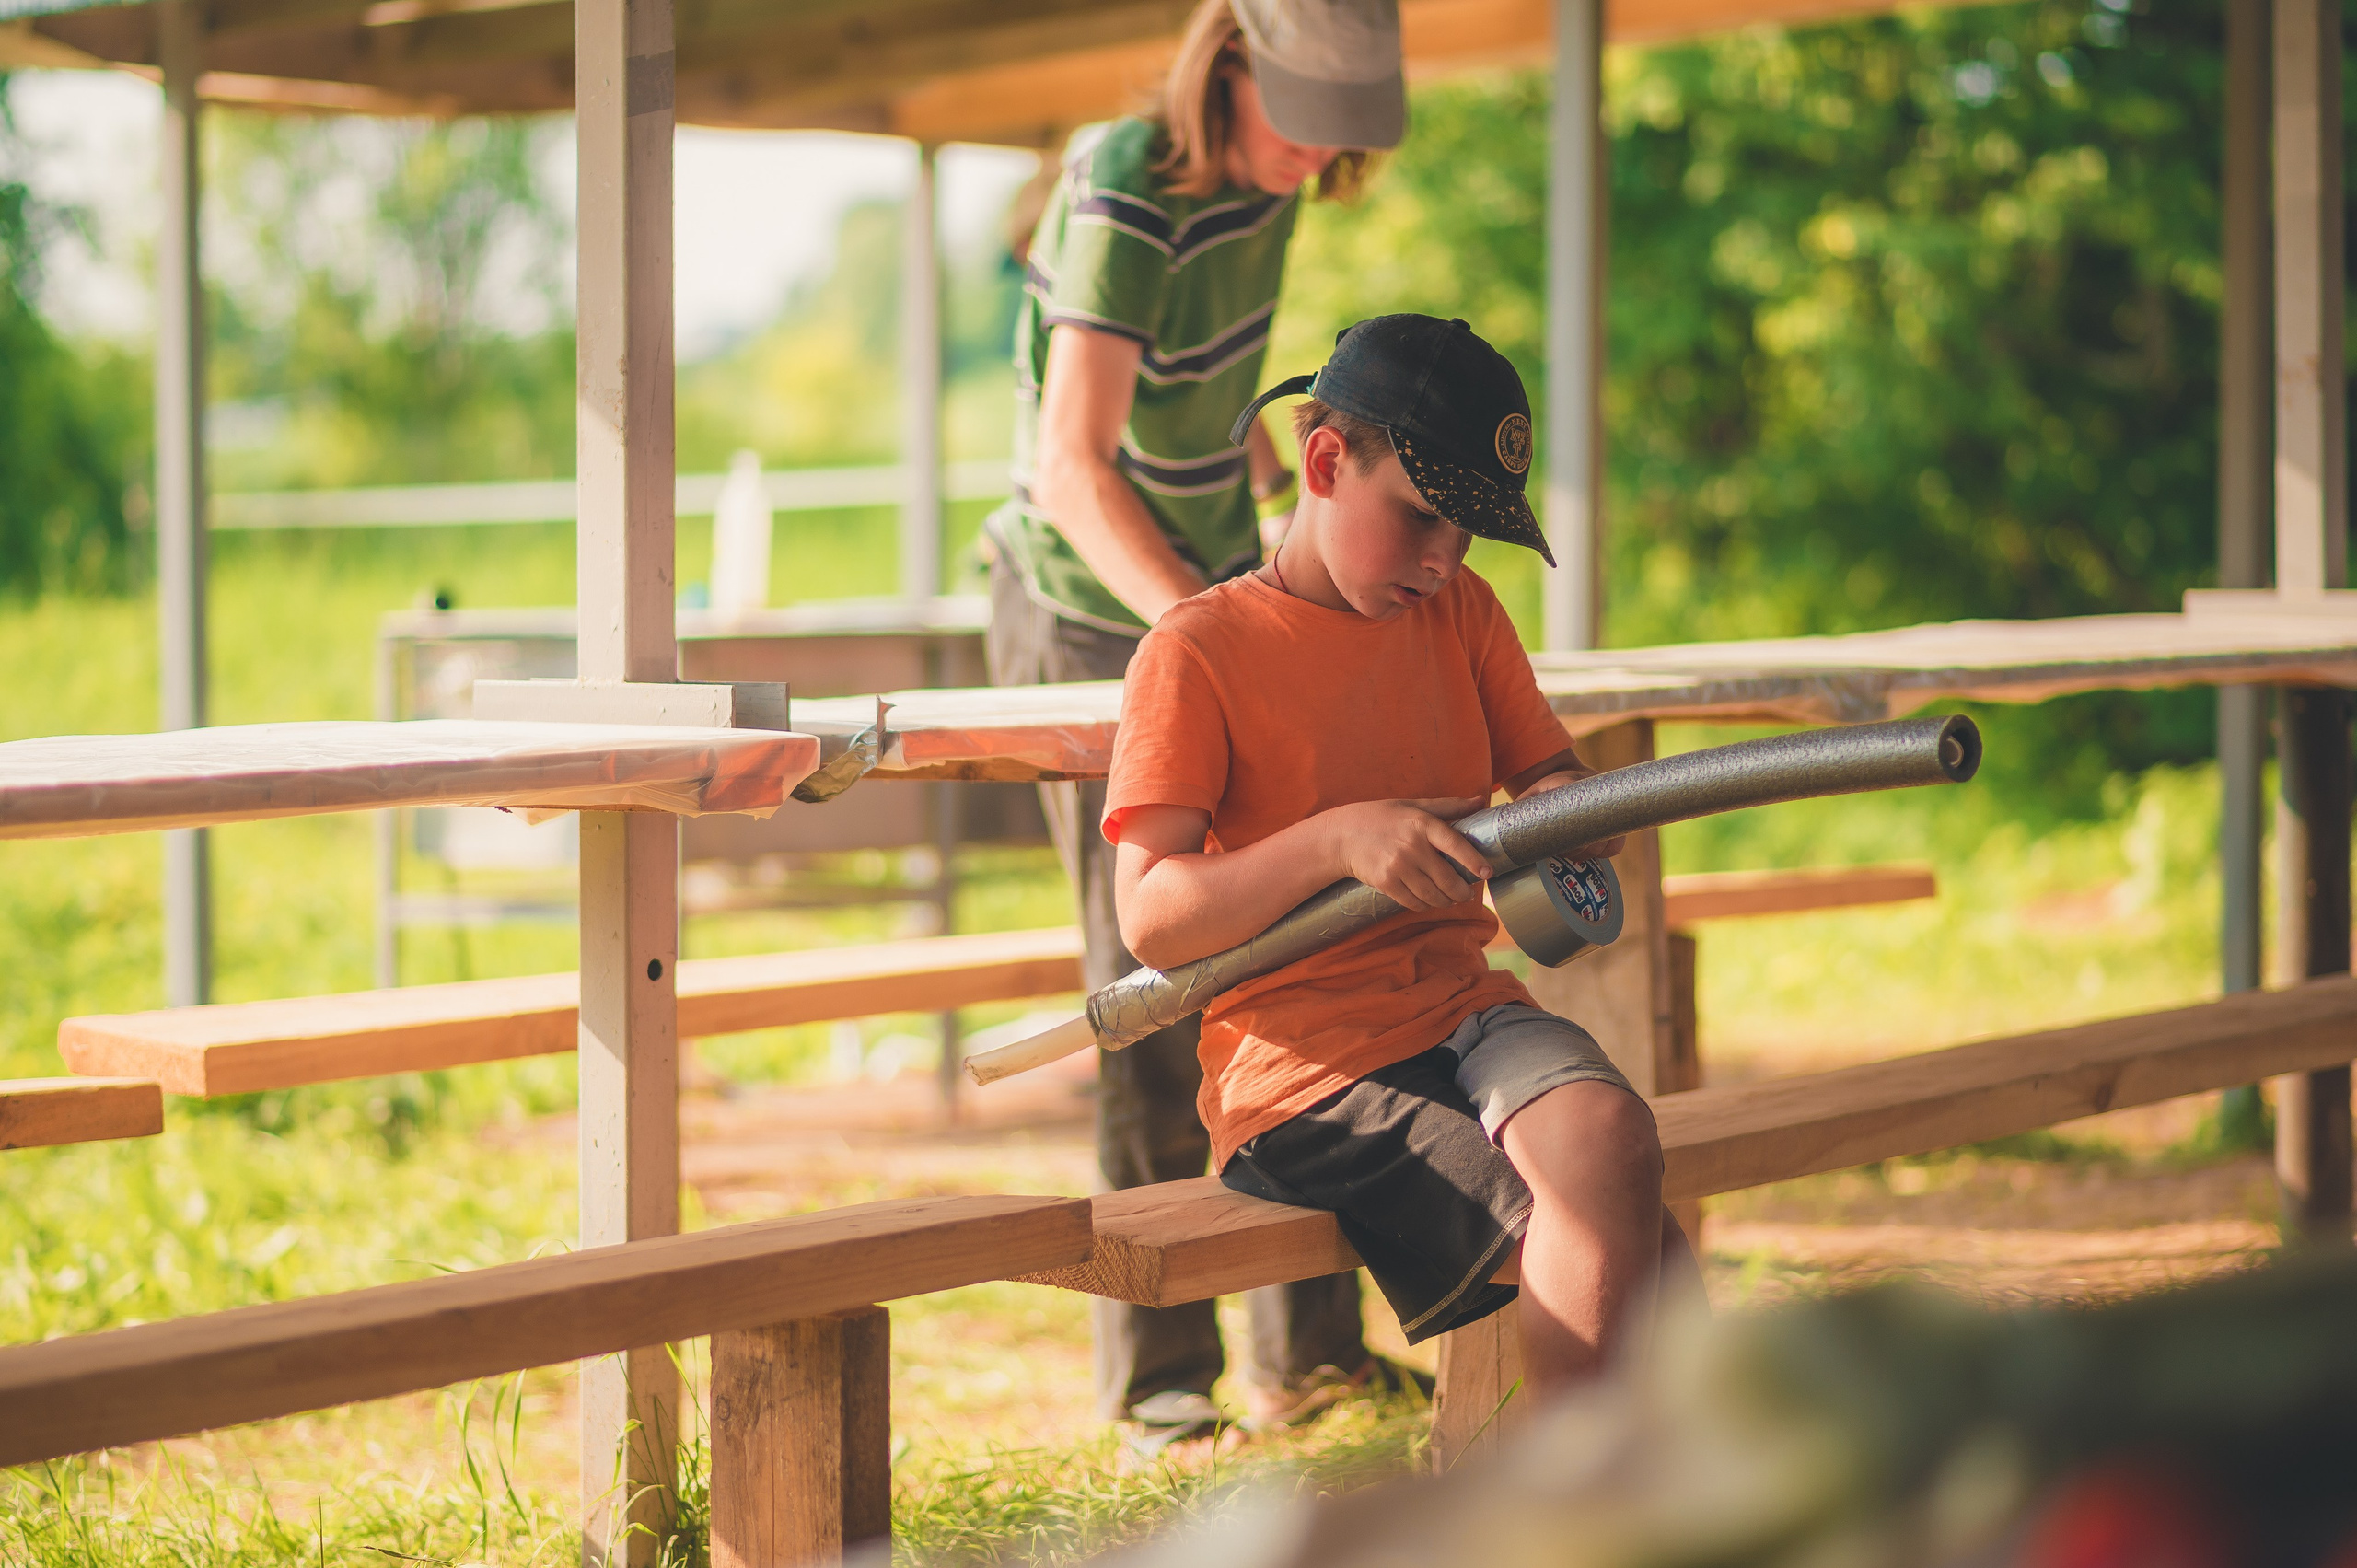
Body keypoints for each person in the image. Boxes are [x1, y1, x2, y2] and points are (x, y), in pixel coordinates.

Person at [1102, 315, 1701, 1395]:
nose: (1443, 560)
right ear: (1324, 460)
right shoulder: (1195, 650)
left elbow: (1552, 778)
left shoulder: (1464, 613)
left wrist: (1575, 811)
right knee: (1604, 1252)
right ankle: (1582, 1516)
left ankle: (1648, 1503)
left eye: (1469, 532)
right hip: (1307, 1071)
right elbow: (1148, 914)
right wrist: (1337, 839)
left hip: (1466, 1011)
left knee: (1616, 1148)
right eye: (1423, 515)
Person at [981, 0, 1409, 1455]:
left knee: (1300, 953)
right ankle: (1165, 1375)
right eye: (1294, 112)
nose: (1310, 152)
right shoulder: (1123, 180)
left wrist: (1287, 550)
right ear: (1226, 58)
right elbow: (1074, 463)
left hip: (1209, 583)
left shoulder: (1274, 189)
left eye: (1336, 125)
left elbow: (1210, 403)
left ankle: (1316, 1354)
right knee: (1155, 980)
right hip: (1095, 600)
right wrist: (1198, 626)